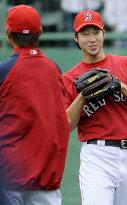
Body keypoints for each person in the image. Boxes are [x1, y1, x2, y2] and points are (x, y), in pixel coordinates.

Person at [62, 10, 127, 205]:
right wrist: (83, 95)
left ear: (103, 33)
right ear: (76, 38)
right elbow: (66, 124)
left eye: (96, 32)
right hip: (97, 155)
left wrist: (120, 85)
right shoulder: (69, 79)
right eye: (85, 34)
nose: (92, 39)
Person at [0, 5, 69, 205]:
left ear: (8, 33)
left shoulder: (4, 71)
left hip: (10, 179)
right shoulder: (54, 69)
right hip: (46, 178)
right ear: (40, 32)